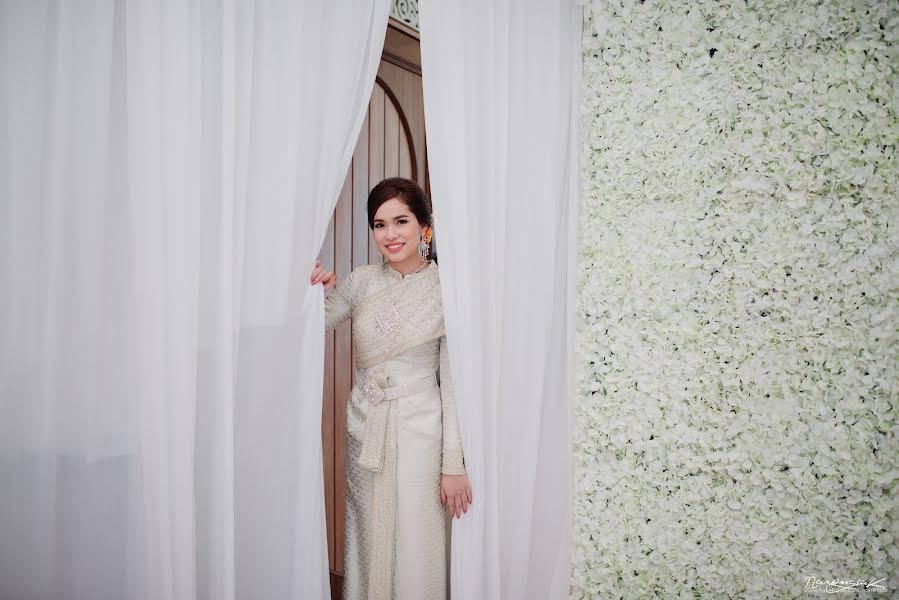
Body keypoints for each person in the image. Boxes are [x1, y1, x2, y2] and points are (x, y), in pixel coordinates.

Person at [310, 177, 473, 600]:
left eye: (401, 221)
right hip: (366, 429)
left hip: (422, 432)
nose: (389, 234)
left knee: (416, 541)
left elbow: (454, 382)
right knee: (368, 534)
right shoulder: (362, 282)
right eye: (379, 225)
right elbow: (315, 326)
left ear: (425, 227)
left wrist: (453, 463)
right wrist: (312, 294)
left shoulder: (447, 289)